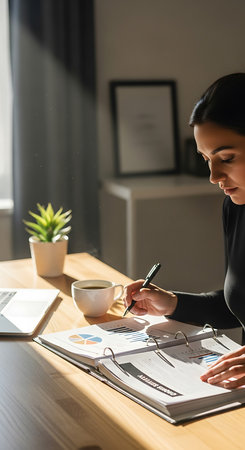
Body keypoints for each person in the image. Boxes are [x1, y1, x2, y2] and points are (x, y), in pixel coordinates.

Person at [124, 73, 245, 389]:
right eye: (206, 159)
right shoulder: (236, 207)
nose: (213, 175)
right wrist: (173, 303)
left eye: (226, 158)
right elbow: (241, 305)